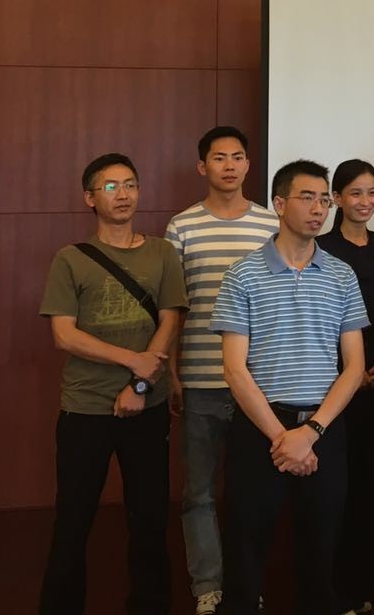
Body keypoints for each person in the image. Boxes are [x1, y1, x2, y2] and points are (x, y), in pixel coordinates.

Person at [209, 160, 369, 615]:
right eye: (307, 198)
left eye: (324, 200)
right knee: (245, 551)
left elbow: (354, 367)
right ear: (279, 204)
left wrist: (311, 432)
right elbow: (234, 370)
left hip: (324, 428)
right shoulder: (242, 274)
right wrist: (284, 438)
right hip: (261, 429)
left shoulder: (341, 275)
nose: (319, 209)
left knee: (321, 553)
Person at [38, 153, 187, 615]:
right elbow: (64, 335)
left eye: (130, 185)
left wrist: (140, 385)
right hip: (85, 409)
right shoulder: (70, 259)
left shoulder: (162, 253)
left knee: (150, 520)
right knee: (73, 522)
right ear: (90, 197)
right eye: (110, 187)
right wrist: (132, 361)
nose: (123, 195)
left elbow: (170, 320)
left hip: (148, 407)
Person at [164, 126, 279, 615]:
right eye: (218, 157)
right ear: (202, 166)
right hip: (201, 380)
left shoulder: (271, 223)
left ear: (249, 165)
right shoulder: (182, 227)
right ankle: (208, 587)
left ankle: (247, 584)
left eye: (237, 157)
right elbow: (174, 307)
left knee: (253, 492)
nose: (229, 165)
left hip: (259, 384)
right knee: (199, 493)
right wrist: (172, 372)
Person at [319, 159, 374, 615]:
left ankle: (363, 592)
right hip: (336, 382)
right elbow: (321, 314)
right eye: (355, 193)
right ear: (336, 199)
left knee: (368, 486)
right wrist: (350, 366)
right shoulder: (323, 247)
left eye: (372, 192)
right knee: (336, 489)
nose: (365, 201)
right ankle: (334, 595)